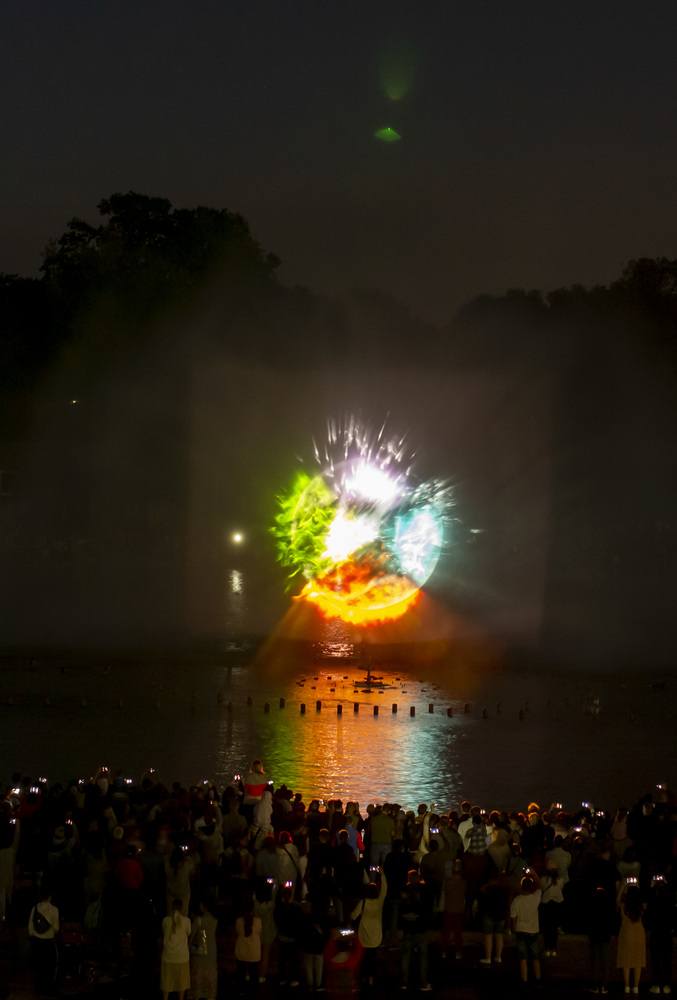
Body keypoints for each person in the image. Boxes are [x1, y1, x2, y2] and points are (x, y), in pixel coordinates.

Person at [352, 869, 387, 986]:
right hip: (376, 935)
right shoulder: (379, 902)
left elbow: (353, 916)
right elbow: (385, 889)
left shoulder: (363, 902)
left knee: (364, 959)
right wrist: (382, 874)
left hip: (364, 936)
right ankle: (372, 978)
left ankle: (363, 978)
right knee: (372, 958)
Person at [28, 885, 60, 996]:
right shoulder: (54, 910)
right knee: (48, 968)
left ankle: (38, 990)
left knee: (38, 968)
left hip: (36, 943)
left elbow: (30, 929)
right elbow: (56, 929)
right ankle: (47, 990)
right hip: (48, 943)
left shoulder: (35, 908)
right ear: (50, 896)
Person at [510, 874, 542, 985]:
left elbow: (513, 917)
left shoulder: (517, 900)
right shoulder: (536, 897)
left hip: (521, 930)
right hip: (533, 931)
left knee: (522, 957)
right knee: (535, 957)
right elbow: (539, 885)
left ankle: (524, 979)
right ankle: (538, 978)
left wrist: (513, 928)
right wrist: (532, 873)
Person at [587, 884, 616, 995]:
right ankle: (604, 986)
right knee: (605, 962)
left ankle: (594, 986)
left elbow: (589, 919)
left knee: (594, 962)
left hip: (594, 935)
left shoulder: (592, 902)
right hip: (605, 936)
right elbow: (611, 920)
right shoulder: (608, 903)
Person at [617, 884, 646, 995]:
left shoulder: (624, 905)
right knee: (638, 961)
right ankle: (636, 987)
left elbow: (618, 899)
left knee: (626, 961)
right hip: (639, 934)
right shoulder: (641, 906)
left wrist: (623, 886)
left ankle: (627, 986)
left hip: (626, 933)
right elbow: (645, 898)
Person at [161, 898, 191, 1000]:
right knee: (181, 984)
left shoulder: (165, 920)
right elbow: (189, 933)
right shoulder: (187, 921)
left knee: (166, 983)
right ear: (182, 908)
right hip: (182, 957)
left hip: (168, 957)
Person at [189, 899, 218, 1000]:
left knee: (198, 975)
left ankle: (197, 995)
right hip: (211, 950)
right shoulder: (215, 920)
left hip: (199, 952)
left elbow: (191, 936)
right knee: (210, 975)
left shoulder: (198, 920)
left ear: (202, 906)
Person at [234, 906, 262, 993]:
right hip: (254, 952)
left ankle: (241, 991)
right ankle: (253, 992)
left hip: (241, 951)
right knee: (254, 975)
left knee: (240, 974)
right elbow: (259, 932)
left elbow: (237, 932)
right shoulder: (258, 921)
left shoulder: (238, 921)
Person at [539, 864, 564, 956]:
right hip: (557, 905)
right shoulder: (560, 880)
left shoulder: (543, 880)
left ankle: (547, 948)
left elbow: (541, 888)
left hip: (546, 904)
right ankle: (553, 948)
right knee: (554, 928)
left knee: (547, 928)